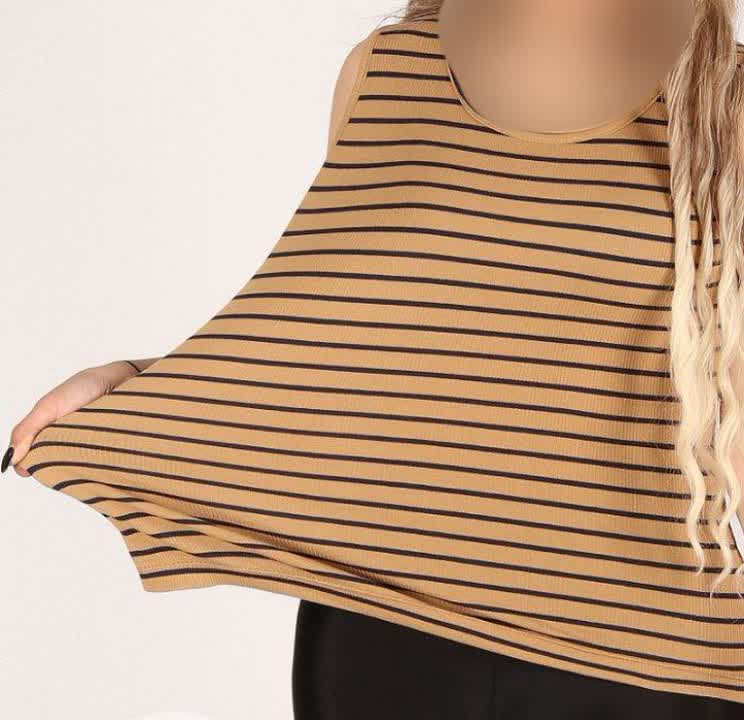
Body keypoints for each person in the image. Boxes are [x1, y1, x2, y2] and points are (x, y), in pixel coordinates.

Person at [5, 1, 744, 717]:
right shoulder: (387, 71)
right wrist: (141, 387)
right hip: (383, 634)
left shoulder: (725, 99)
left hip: (646, 660)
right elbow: (358, 348)